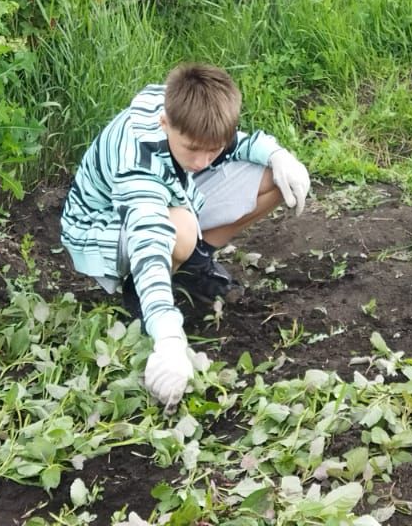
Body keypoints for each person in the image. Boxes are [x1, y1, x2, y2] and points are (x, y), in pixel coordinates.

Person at [60, 63, 310, 407]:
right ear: (165, 124)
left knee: (272, 178)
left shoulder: (189, 118)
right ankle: (139, 296)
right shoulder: (138, 164)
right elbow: (148, 245)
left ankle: (192, 266)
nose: (204, 160)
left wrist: (280, 155)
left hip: (171, 197)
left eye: (212, 149)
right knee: (180, 228)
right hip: (102, 229)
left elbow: (237, 145)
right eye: (193, 149)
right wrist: (169, 339)